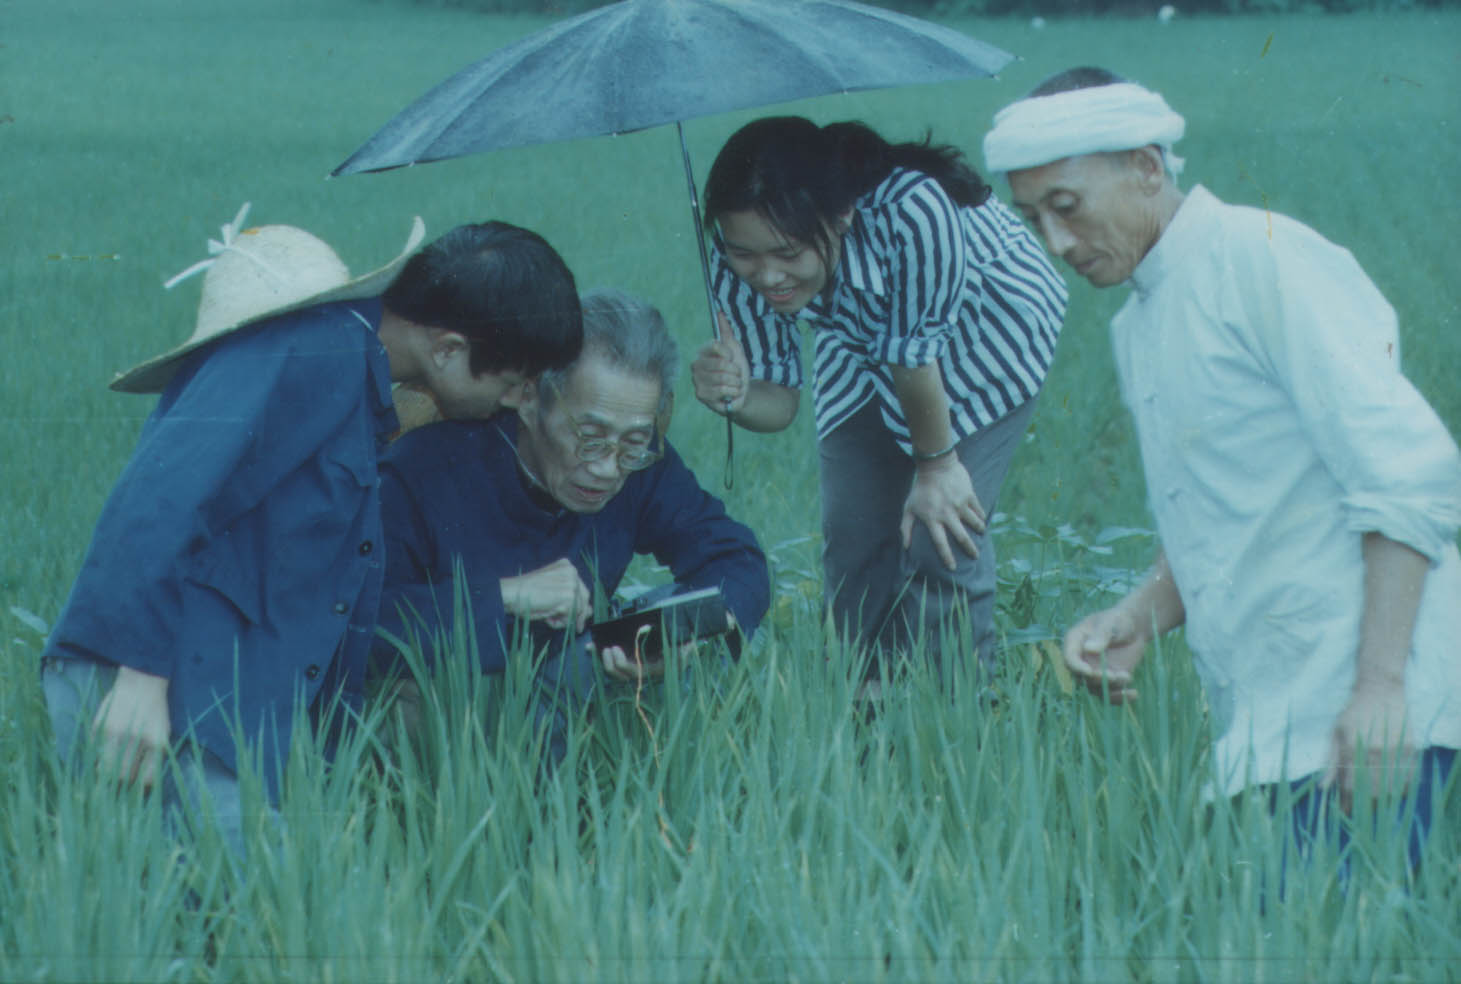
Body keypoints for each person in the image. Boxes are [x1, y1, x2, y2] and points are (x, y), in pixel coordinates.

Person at [983, 68, 1461, 867]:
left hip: (1372, 719)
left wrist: (1381, 691)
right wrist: (1138, 615)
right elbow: (1226, 506)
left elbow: (1405, 469)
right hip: (1274, 719)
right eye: (1032, 219)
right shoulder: (1139, 319)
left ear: (1145, 167)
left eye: (1066, 206)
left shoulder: (1259, 258)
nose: (1055, 243)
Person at [40, 205, 582, 856]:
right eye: (514, 384)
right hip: (157, 690)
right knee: (232, 905)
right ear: (447, 349)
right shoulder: (310, 350)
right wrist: (139, 678)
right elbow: (162, 494)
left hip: (215, 702)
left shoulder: (357, 381)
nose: (516, 404)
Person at [688, 116, 1066, 683]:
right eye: (747, 255)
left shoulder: (915, 210)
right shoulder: (733, 253)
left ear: (841, 215)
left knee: (942, 539)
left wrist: (936, 468)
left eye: (788, 251)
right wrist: (736, 396)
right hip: (862, 338)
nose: (767, 276)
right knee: (854, 540)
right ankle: (864, 709)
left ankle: (956, 710)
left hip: (987, 329)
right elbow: (779, 402)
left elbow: (914, 358)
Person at [376, 288, 770, 760]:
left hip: (568, 683)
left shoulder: (641, 464)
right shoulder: (421, 470)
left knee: (727, 633)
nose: (607, 468)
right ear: (528, 398)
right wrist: (505, 596)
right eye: (589, 436)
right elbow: (359, 624)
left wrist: (678, 633)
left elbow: (736, 559)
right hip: (455, 713)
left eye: (633, 441)